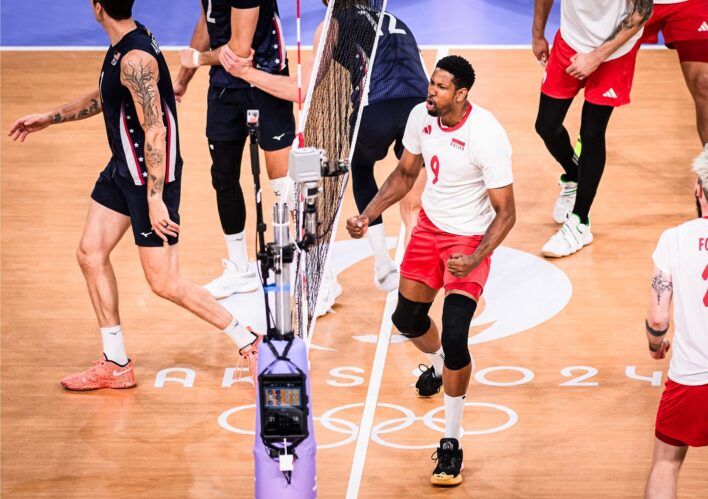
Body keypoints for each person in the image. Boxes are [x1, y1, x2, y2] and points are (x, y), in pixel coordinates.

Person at [7, 0, 260, 390]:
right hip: (122, 171)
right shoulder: (125, 43)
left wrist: (155, 198)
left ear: (96, 8)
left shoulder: (135, 58)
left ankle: (249, 340)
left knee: (165, 282)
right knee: (91, 253)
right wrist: (51, 117)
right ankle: (116, 362)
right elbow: (105, 95)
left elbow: (155, 131)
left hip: (149, 179)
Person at [347, 56, 516, 487]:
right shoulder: (420, 118)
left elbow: (506, 213)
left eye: (441, 87)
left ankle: (451, 441)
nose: (431, 92)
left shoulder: (486, 135)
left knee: (457, 333)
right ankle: (441, 366)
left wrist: (476, 258)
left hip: (468, 242)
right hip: (429, 231)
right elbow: (405, 174)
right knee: (406, 320)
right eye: (431, 84)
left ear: (461, 94)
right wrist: (368, 215)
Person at [220, 0, 429, 292]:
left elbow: (302, 90)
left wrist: (246, 73)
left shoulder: (333, 23)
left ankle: (383, 265)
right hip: (421, 110)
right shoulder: (393, 18)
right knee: (413, 193)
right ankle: (417, 274)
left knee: (361, 167)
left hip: (376, 109)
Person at [173, 0, 296, 299]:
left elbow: (239, 52)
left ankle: (310, 263)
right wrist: (182, 79)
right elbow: (208, 19)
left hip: (265, 80)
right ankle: (240, 270)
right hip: (225, 88)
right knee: (223, 178)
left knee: (282, 182)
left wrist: (198, 59)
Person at [643, 150, 708, 497]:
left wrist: (656, 344)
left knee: (666, 463)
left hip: (692, 374)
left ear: (698, 189)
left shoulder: (675, 238)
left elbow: (658, 317)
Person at [532, 0, 653, 257]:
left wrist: (596, 58)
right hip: (571, 40)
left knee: (591, 133)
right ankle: (575, 176)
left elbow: (642, 12)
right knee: (546, 125)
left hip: (615, 52)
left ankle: (580, 222)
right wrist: (538, 34)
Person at [639, 0, 708, 215]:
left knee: (703, 82)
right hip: (635, 4)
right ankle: (577, 171)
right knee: (602, 80)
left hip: (686, 3)